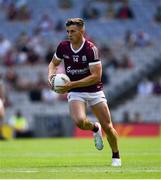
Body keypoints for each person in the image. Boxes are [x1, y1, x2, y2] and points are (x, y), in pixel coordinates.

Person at [48, 18, 121, 166]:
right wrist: (51, 77)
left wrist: (70, 84)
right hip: (75, 91)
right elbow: (53, 63)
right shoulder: (63, 47)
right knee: (80, 122)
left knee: (108, 126)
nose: (69, 34)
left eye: (73, 31)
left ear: (82, 31)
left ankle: (116, 155)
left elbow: (96, 77)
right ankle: (95, 128)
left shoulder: (90, 49)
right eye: (68, 31)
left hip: (94, 90)